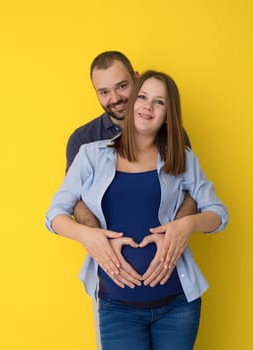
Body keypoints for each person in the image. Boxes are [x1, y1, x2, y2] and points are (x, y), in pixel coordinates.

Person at [46, 70, 228, 349]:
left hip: (178, 305)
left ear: (169, 115)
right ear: (132, 104)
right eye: (142, 97)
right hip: (117, 308)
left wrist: (186, 225)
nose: (147, 106)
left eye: (159, 102)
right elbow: (54, 215)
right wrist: (87, 235)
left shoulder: (182, 157)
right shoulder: (91, 155)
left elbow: (218, 213)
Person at [66, 51, 195, 290]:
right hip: (111, 280)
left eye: (122, 86)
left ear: (136, 79)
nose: (115, 98)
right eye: (104, 92)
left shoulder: (173, 134)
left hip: (171, 276)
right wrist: (99, 242)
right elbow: (73, 201)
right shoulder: (83, 141)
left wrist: (172, 237)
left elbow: (192, 192)